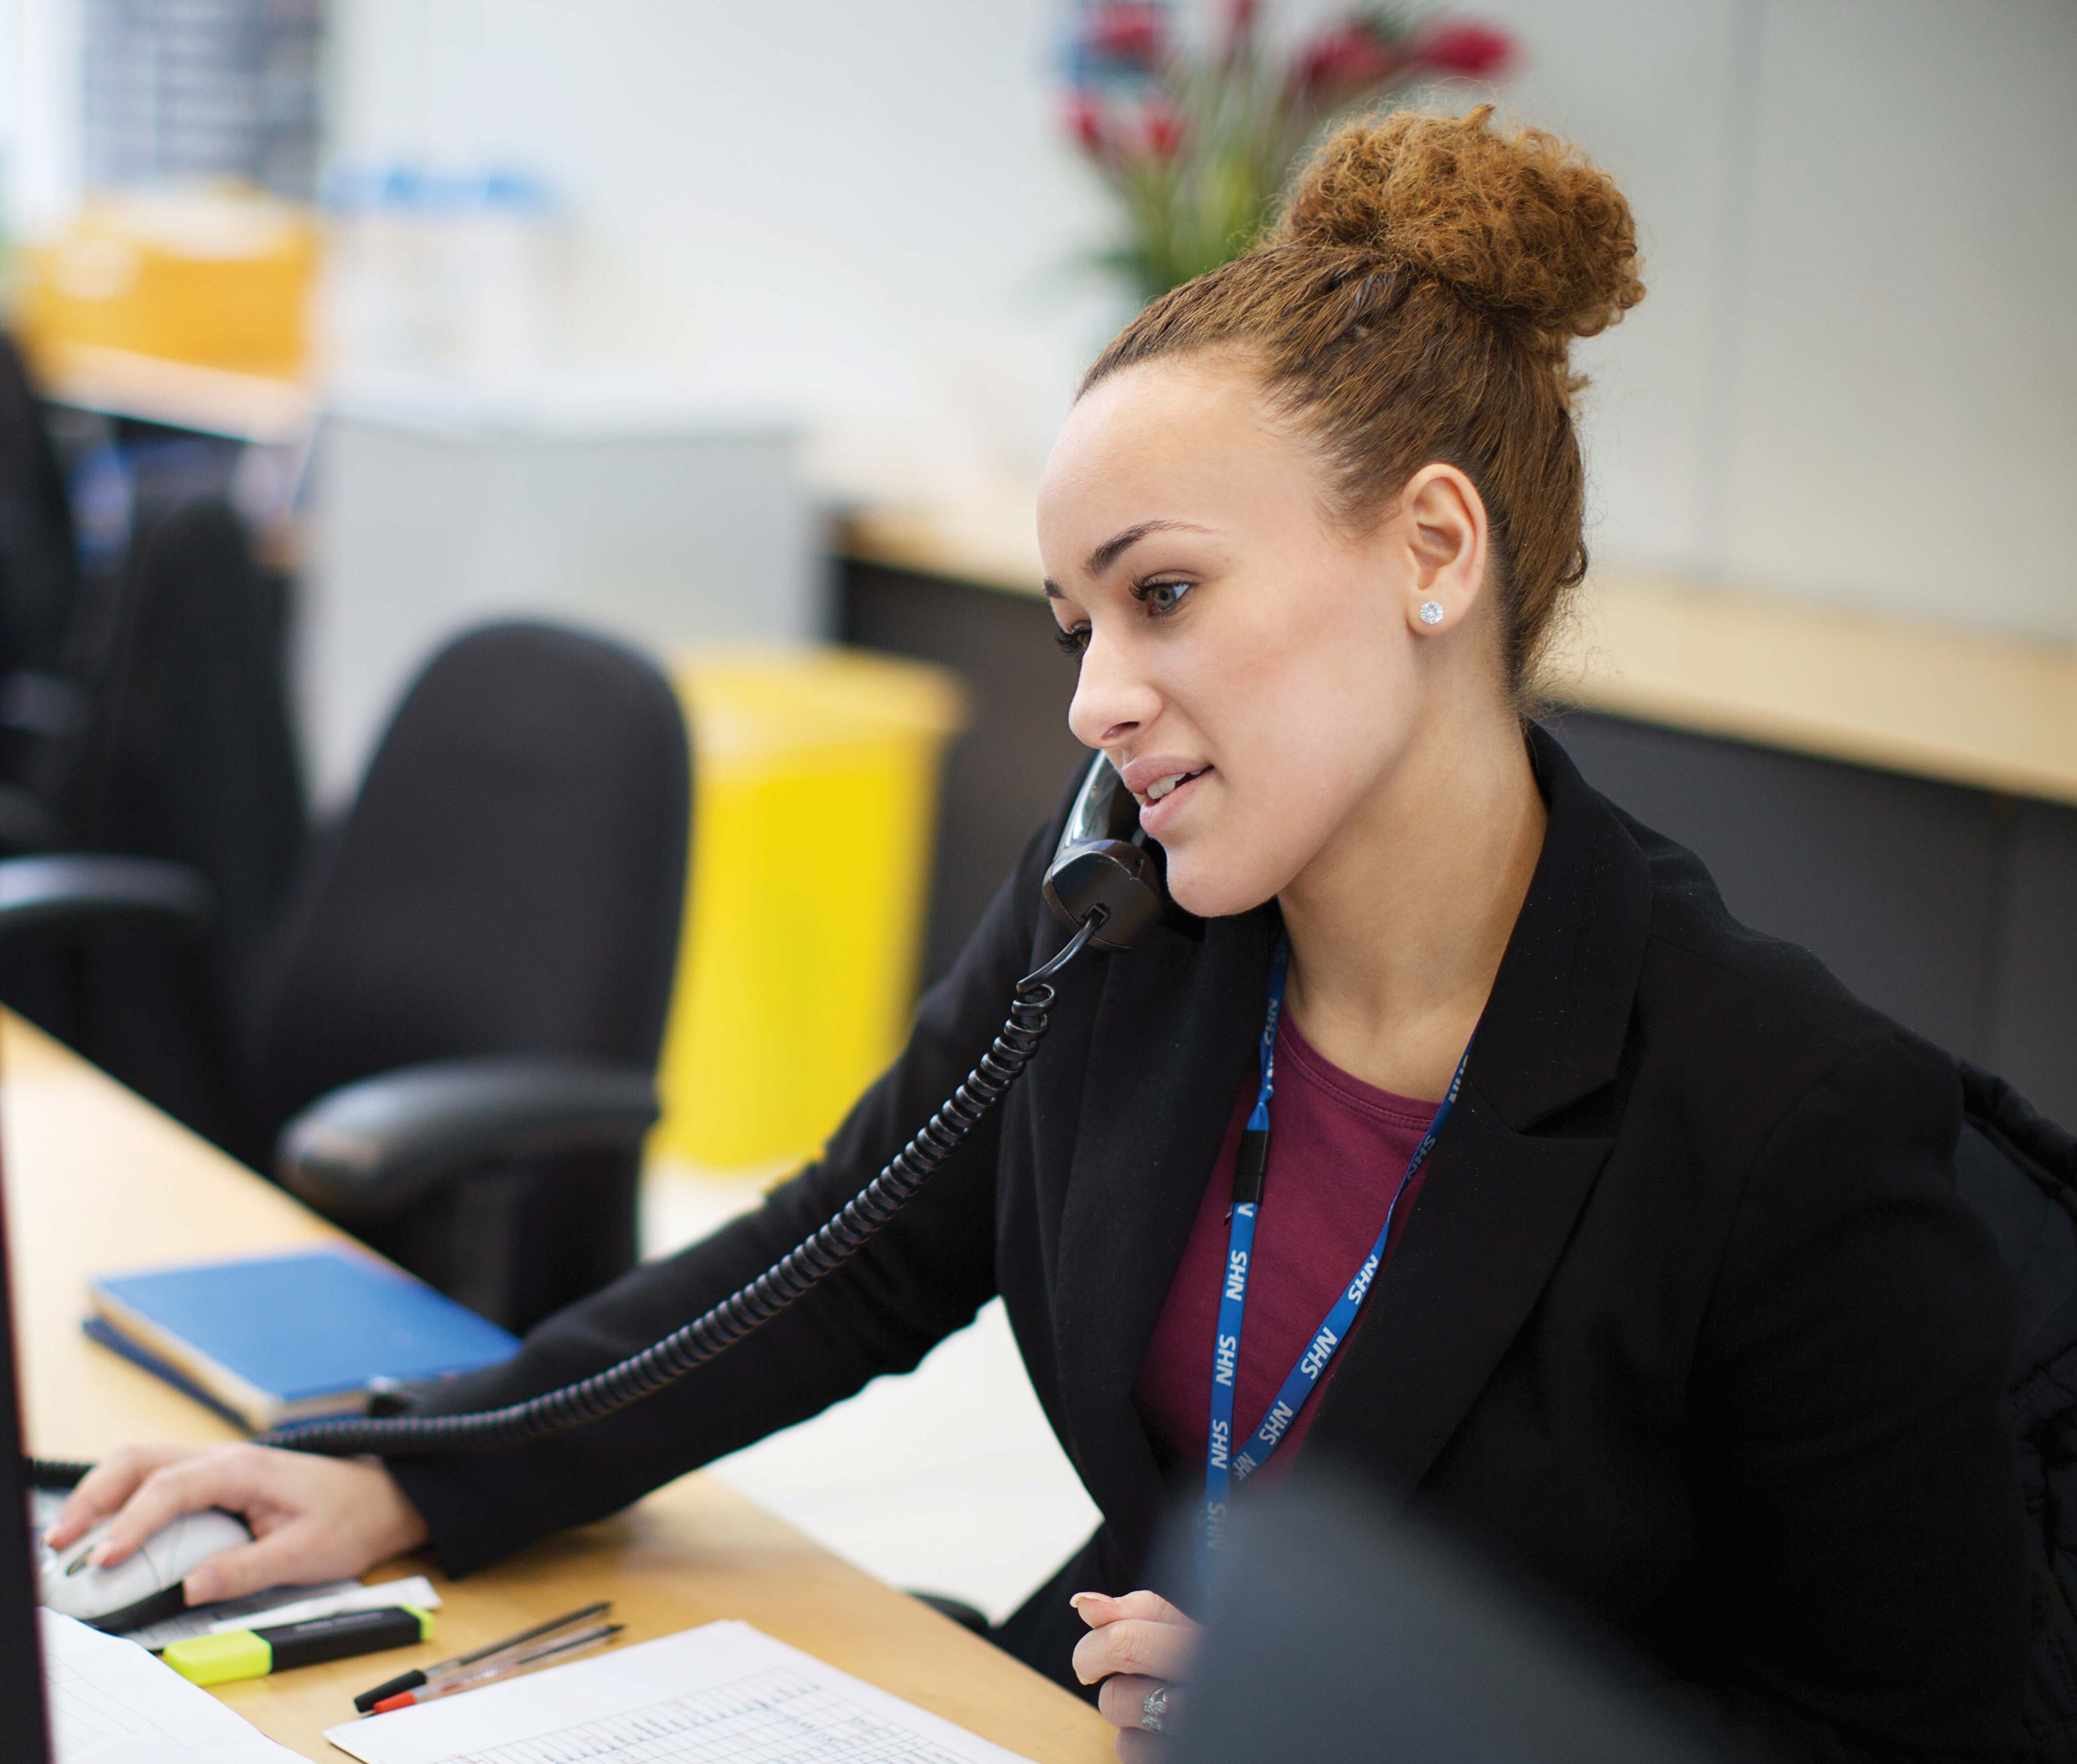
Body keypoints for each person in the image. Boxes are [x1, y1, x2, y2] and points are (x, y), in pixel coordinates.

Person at [48, 107, 2028, 1759]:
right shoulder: (1123, 929)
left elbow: (1929, 1738)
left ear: (1433, 549)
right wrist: (421, 1464)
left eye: (1161, 595)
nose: (1092, 701)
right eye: (1077, 624)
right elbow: (828, 1261)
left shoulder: (1781, 1117)